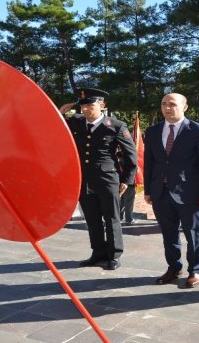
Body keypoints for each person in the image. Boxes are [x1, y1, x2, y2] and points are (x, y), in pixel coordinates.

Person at [58, 88, 137, 271]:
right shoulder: (76, 122)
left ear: (102, 105)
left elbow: (131, 155)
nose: (85, 109)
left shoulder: (116, 125)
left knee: (111, 218)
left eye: (90, 105)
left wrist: (127, 180)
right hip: (84, 180)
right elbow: (53, 124)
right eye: (83, 105)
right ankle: (98, 253)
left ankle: (114, 255)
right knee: (92, 220)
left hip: (108, 179)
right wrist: (62, 110)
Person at [144, 93, 199, 288]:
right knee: (169, 233)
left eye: (172, 104)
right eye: (164, 104)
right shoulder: (152, 131)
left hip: (189, 193)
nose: (167, 108)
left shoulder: (198, 130)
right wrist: (148, 189)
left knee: (193, 233)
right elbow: (149, 162)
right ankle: (174, 267)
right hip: (161, 192)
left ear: (185, 107)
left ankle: (195, 270)